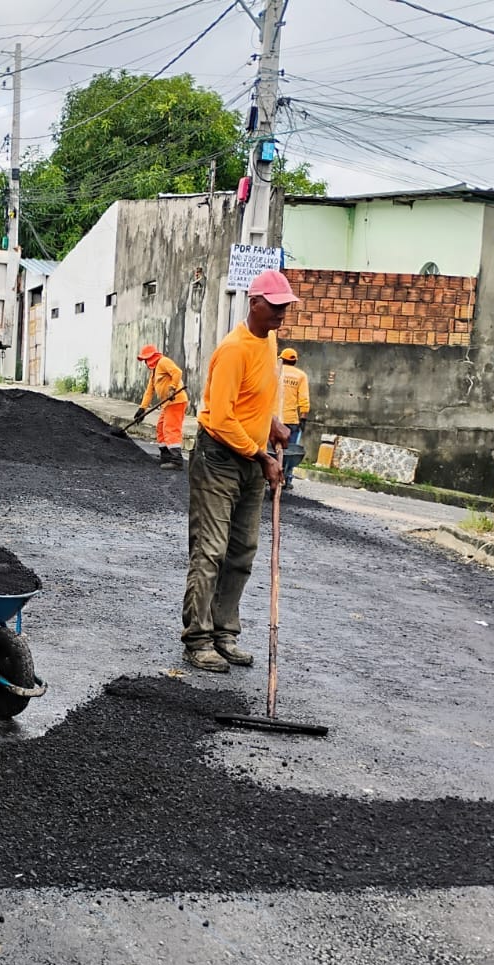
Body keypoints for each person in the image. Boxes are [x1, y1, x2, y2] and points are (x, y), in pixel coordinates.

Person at [182, 269, 298, 673]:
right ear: (255, 303)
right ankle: (197, 639)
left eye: (286, 307)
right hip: (219, 458)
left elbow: (257, 401)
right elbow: (222, 417)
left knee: (243, 551)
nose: (283, 314)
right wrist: (262, 456)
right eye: (277, 306)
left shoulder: (269, 341)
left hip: (252, 457)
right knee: (210, 550)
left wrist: (273, 425)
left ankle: (223, 632)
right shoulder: (234, 349)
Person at [134, 345, 190, 469]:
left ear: (151, 357)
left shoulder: (163, 362)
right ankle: (166, 456)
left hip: (176, 401)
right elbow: (149, 391)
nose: (145, 363)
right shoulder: (154, 373)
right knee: (160, 427)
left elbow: (177, 372)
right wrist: (142, 409)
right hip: (167, 404)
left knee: (171, 428)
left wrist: (172, 388)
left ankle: (176, 460)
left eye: (145, 360)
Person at [278, 346, 311, 489]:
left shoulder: (275, 371)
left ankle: (265, 475)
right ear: (295, 361)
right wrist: (303, 418)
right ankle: (287, 478)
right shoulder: (301, 375)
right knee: (289, 450)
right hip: (291, 421)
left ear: (282, 359)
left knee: (268, 449)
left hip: (273, 420)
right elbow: (304, 399)